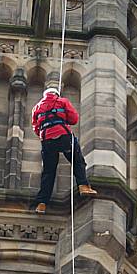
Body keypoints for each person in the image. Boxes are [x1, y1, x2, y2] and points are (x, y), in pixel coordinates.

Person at [32, 86, 97, 214]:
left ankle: (41, 203)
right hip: (63, 136)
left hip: (47, 140)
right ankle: (83, 186)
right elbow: (74, 119)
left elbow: (36, 127)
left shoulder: (37, 108)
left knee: (48, 172)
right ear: (56, 94)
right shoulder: (62, 101)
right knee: (77, 161)